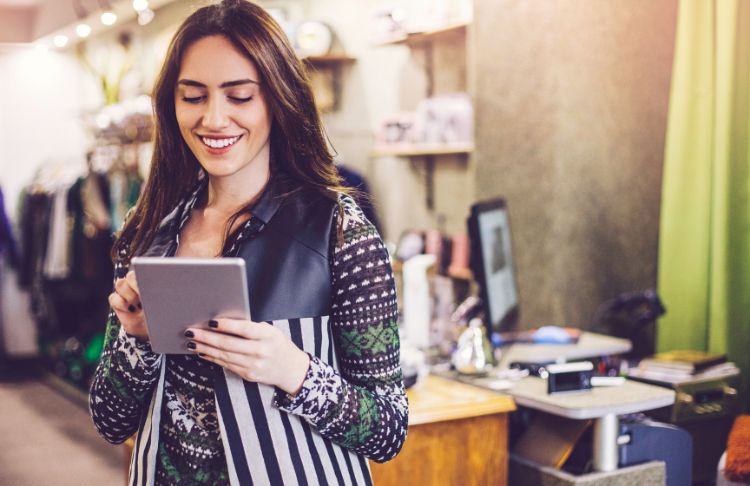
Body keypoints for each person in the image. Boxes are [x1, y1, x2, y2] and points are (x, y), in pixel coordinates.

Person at [88, 1, 407, 485]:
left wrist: (293, 369)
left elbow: (388, 430)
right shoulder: (148, 232)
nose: (214, 119)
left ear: (278, 100)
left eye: (239, 96)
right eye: (193, 97)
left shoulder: (341, 232)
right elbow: (111, 422)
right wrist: (137, 340)